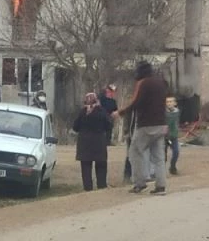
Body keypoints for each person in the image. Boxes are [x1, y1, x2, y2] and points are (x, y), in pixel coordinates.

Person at [117, 61, 168, 196]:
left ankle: (139, 183)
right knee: (159, 157)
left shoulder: (143, 83)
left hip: (146, 125)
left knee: (134, 152)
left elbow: (136, 103)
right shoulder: (161, 83)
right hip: (161, 124)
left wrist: (121, 112)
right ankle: (161, 186)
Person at [72, 92, 111, 191]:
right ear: (97, 100)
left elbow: (75, 127)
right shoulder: (102, 112)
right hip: (99, 143)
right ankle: (101, 187)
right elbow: (109, 125)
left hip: (84, 144)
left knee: (86, 167)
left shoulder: (82, 112)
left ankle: (88, 189)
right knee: (101, 166)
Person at [165, 95, 180, 175]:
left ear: (175, 103)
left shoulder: (177, 112)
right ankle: (161, 171)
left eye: (170, 102)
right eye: (167, 102)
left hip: (173, 137)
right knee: (162, 155)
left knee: (176, 152)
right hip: (164, 137)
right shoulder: (163, 113)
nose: (169, 103)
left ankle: (172, 167)